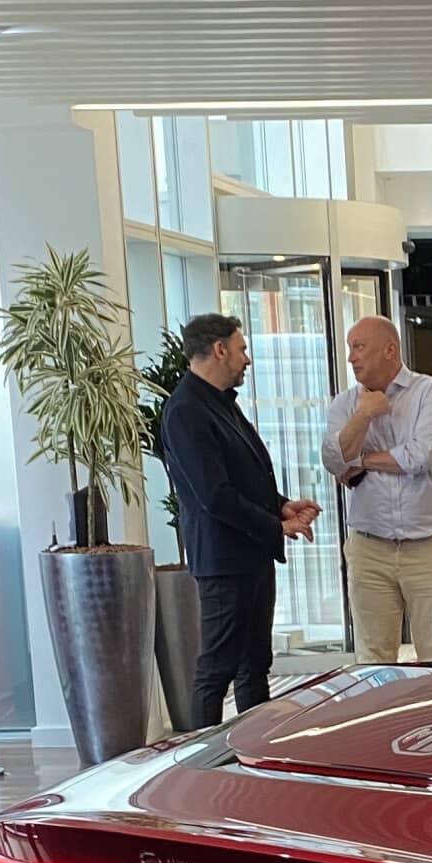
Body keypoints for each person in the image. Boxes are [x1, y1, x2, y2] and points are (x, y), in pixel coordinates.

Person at [157, 312, 320, 729]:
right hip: (224, 561)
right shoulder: (187, 411)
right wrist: (276, 527)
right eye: (242, 348)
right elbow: (214, 495)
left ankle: (252, 750)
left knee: (254, 665)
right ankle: (198, 764)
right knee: (217, 669)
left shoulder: (221, 404)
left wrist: (280, 506)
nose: (247, 359)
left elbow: (243, 479)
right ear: (219, 350)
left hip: (249, 555)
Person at [321, 316, 432, 665]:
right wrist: (363, 416)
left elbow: (420, 456)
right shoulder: (344, 405)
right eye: (349, 348)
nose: (351, 357)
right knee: (372, 660)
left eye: (359, 347)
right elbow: (334, 461)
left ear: (390, 350)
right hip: (369, 549)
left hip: (428, 546)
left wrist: (362, 460)